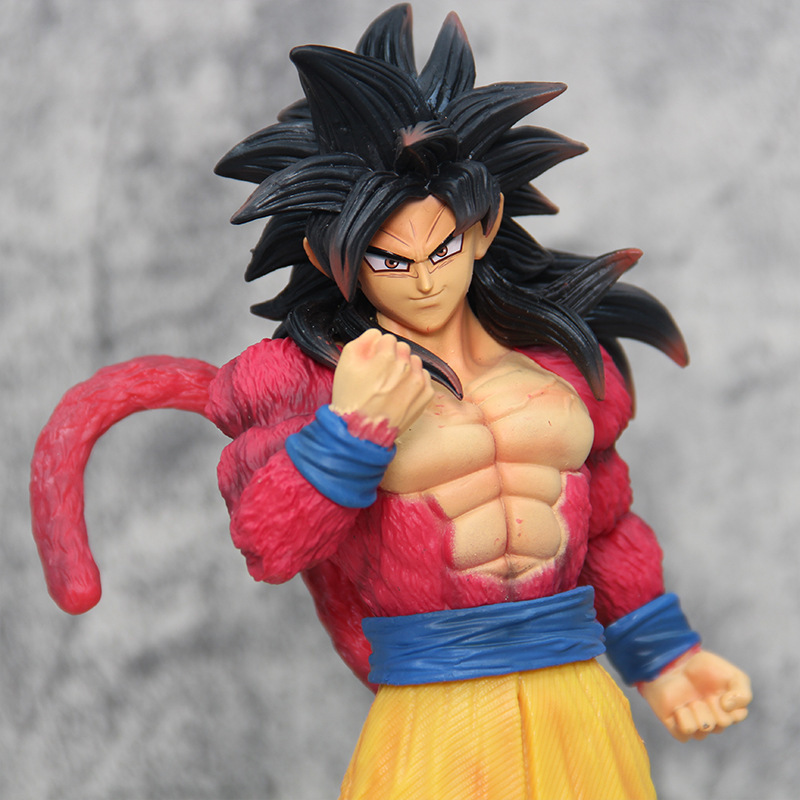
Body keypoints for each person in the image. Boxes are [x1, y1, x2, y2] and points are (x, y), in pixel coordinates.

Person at [31, 6, 751, 798]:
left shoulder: (559, 367)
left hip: (577, 702)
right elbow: (269, 545)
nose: (427, 280)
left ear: (485, 226)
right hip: (434, 716)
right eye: (390, 259)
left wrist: (664, 656)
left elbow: (605, 524)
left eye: (445, 246)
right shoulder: (309, 381)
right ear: (328, 256)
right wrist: (353, 430)